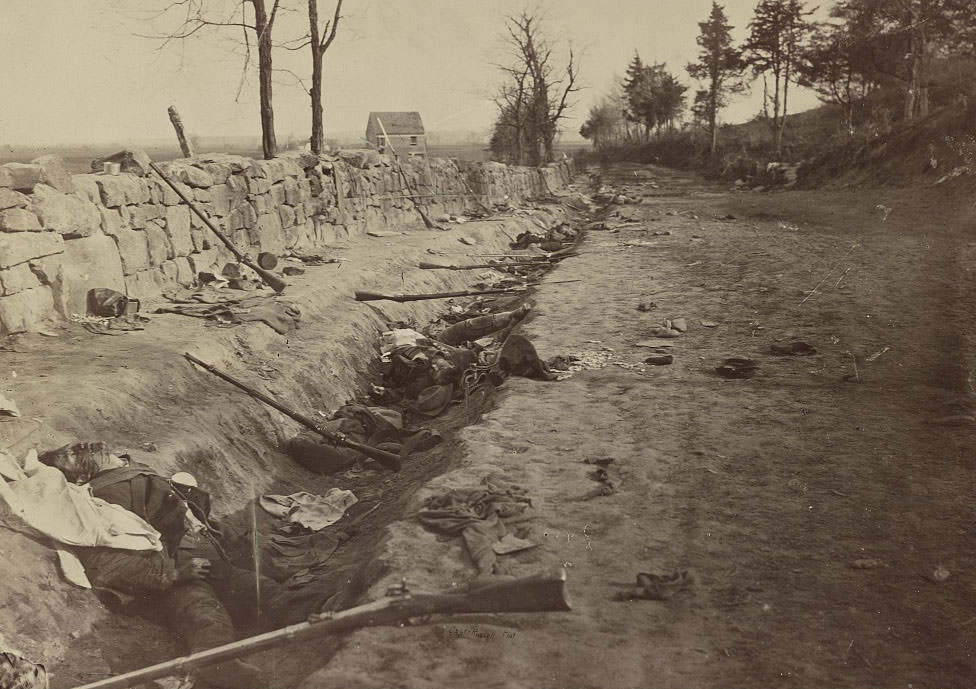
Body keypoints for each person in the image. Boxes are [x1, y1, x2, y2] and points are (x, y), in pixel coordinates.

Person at [39, 442, 281, 689]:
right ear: (81, 477)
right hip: (177, 574)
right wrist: (173, 574)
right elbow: (104, 563)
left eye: (74, 446)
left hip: (213, 560)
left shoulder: (128, 468)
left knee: (269, 590)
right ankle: (216, 665)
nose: (81, 446)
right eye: (70, 455)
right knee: (206, 615)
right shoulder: (102, 500)